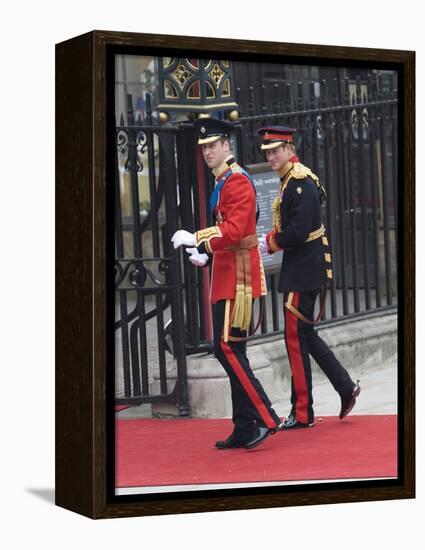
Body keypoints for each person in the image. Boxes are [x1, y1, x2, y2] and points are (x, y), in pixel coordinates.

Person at [171, 117, 281, 449]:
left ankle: (264, 415)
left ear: (226, 146)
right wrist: (208, 254)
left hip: (240, 277)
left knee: (229, 349)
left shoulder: (237, 181)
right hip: (228, 269)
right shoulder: (225, 180)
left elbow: (236, 229)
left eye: (212, 146)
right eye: (203, 147)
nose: (207, 152)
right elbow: (236, 228)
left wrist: (199, 239)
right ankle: (244, 425)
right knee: (231, 349)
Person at [257, 126, 360, 429]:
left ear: (289, 148)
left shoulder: (299, 182)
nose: (271, 156)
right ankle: (345, 387)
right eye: (267, 152)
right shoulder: (292, 178)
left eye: (276, 150)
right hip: (304, 268)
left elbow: (298, 233)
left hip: (303, 271)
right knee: (305, 336)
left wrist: (269, 242)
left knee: (294, 338)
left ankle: (303, 413)